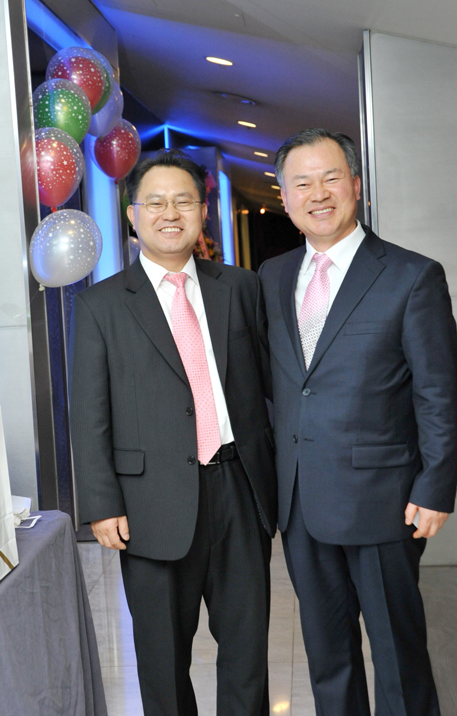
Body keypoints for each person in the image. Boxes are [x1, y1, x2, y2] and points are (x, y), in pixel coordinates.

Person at [69, 149, 277, 716]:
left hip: (239, 489)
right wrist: (101, 504)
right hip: (148, 504)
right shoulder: (100, 305)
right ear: (132, 216)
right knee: (162, 661)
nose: (170, 213)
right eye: (155, 202)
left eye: (183, 201)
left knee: (247, 654)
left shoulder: (241, 287)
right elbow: (88, 413)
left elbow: (271, 386)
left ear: (202, 212)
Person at [259, 127, 457, 716]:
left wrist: (436, 485)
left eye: (330, 178)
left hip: (384, 498)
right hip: (299, 501)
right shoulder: (271, 276)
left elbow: (439, 391)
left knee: (398, 655)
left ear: (355, 185)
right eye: (302, 184)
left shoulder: (412, 275)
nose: (317, 194)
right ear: (285, 198)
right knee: (328, 657)